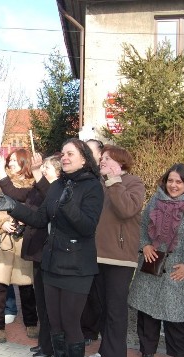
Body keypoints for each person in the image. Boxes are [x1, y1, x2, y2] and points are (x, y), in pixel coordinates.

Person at [0, 138, 104, 357]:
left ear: (84, 158)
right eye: (63, 153)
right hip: (52, 262)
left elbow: (87, 227)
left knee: (71, 322)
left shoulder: (93, 186)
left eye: (70, 153)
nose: (65, 157)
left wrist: (69, 203)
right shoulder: (59, 184)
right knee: (55, 322)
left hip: (77, 266)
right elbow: (40, 218)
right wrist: (13, 207)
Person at [128, 163, 184, 357]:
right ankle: (147, 351)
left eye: (179, 182)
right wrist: (144, 245)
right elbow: (142, 226)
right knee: (147, 313)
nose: (173, 185)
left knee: (176, 315)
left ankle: (179, 354)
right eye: (170, 181)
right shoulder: (156, 201)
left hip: (179, 269)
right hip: (152, 264)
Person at [86, 146, 145, 357]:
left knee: (116, 310)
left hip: (120, 258)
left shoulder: (133, 183)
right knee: (102, 307)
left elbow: (127, 209)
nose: (102, 161)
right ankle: (106, 349)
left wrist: (114, 181)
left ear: (120, 162)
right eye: (101, 159)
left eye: (107, 159)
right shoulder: (100, 184)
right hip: (96, 255)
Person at [0, 149, 37, 344]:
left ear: (25, 163)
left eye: (15, 160)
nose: (11, 163)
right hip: (3, 241)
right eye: (9, 160)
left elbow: (37, 209)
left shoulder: (34, 184)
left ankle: (31, 322)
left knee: (27, 287)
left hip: (25, 243)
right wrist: (2, 222)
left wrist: (24, 222)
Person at [26, 154, 62, 357]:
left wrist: (36, 170)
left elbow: (46, 190)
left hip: (48, 253)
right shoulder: (44, 189)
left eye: (46, 167)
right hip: (38, 250)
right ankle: (43, 342)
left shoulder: (56, 189)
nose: (43, 171)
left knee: (49, 304)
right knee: (41, 301)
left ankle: (49, 346)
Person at [81, 139, 104, 344]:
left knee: (97, 292)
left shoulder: (103, 180)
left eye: (89, 150)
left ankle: (93, 331)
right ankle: (86, 329)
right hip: (82, 243)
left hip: (102, 245)